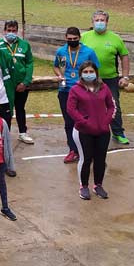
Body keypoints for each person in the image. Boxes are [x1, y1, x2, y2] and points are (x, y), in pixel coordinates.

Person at [80, 10, 131, 145]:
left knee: (114, 105)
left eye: (102, 20)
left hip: (110, 79)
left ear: (107, 22)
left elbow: (124, 56)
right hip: (89, 78)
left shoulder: (115, 38)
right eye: (97, 20)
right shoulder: (84, 37)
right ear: (92, 22)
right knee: (87, 104)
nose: (99, 23)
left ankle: (118, 133)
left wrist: (125, 77)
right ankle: (88, 130)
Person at [66, 62, 114, 201]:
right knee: (86, 159)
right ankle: (84, 186)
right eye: (85, 72)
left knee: (100, 159)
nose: (88, 74)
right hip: (83, 131)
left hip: (103, 130)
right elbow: (71, 109)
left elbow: (111, 106)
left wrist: (106, 121)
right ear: (81, 74)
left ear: (96, 73)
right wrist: (84, 122)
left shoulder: (104, 88)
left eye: (91, 71)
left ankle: (98, 185)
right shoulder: (75, 89)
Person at [54, 27, 100, 164]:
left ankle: (88, 150)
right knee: (69, 122)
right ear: (66, 38)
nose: (72, 41)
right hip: (65, 91)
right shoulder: (61, 51)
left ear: (79, 38)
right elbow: (57, 66)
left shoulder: (88, 52)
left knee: (86, 121)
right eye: (69, 39)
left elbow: (96, 69)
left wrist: (94, 88)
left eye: (75, 39)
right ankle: (73, 150)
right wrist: (59, 75)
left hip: (84, 91)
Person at [0, 20, 35, 145]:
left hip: (21, 84)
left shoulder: (24, 45)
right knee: (6, 110)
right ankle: (5, 134)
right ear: (4, 31)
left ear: (17, 31)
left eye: (14, 31)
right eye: (9, 30)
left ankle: (23, 133)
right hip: (5, 85)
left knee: (20, 108)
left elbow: (29, 63)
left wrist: (25, 82)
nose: (11, 33)